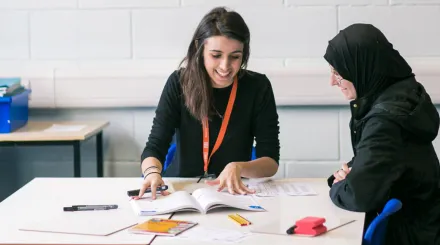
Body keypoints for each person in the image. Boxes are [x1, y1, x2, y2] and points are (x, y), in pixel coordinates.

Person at [136, 7, 280, 199]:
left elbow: (271, 162)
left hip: (233, 192)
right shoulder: (179, 83)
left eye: (235, 57)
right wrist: (152, 173)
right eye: (216, 55)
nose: (225, 66)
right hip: (182, 191)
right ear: (200, 50)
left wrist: (239, 167)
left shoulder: (258, 87)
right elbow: (155, 146)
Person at [324, 23, 440, 245]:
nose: (332, 82)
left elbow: (359, 195)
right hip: (424, 226)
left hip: (410, 236)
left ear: (360, 67)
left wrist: (340, 185)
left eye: (338, 73)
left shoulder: (384, 122)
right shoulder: (399, 98)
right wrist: (349, 177)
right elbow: (374, 161)